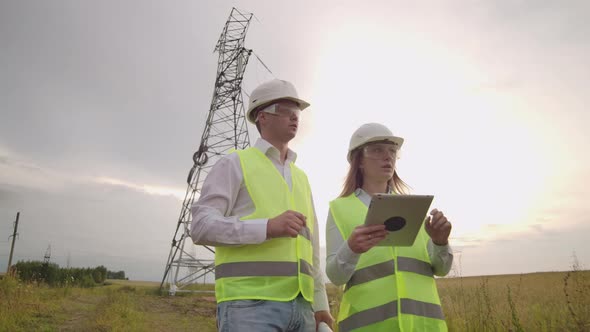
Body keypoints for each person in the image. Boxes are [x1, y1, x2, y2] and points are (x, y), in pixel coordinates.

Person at [190, 79, 334, 331]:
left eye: (297, 112)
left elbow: (311, 251)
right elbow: (201, 227)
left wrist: (320, 303)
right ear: (261, 116)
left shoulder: (301, 177)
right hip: (248, 306)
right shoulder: (234, 164)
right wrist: (266, 227)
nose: (294, 118)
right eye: (285, 111)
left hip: (302, 309)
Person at [325, 123, 453, 331]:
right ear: (359, 161)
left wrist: (441, 242)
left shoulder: (414, 208)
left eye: (392, 151)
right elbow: (335, 276)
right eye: (377, 150)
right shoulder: (340, 208)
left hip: (423, 325)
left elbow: (442, 269)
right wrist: (351, 249)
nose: (388, 156)